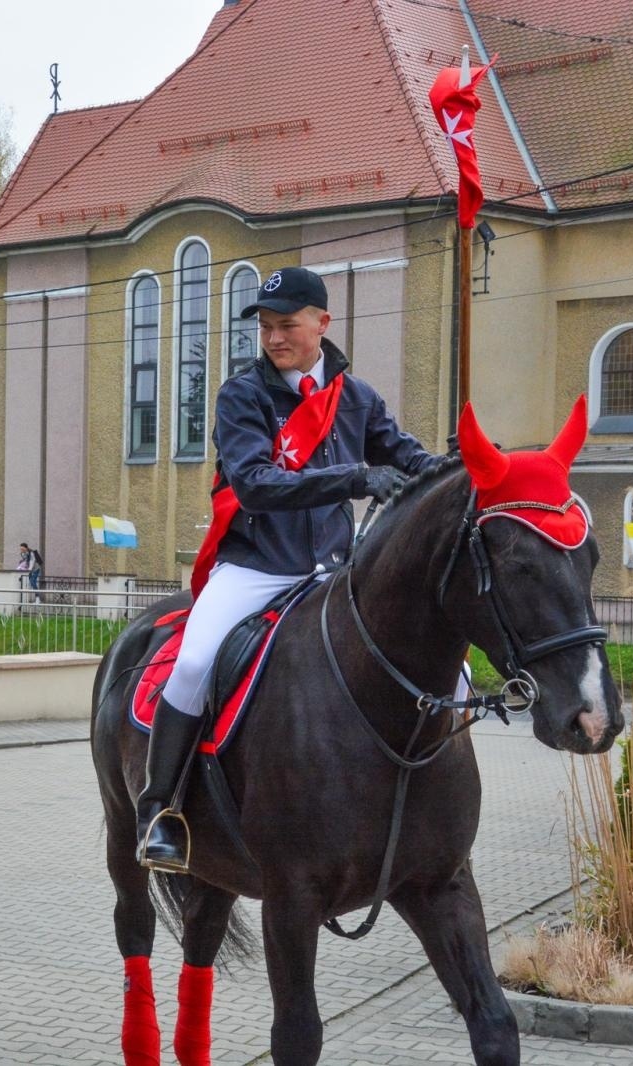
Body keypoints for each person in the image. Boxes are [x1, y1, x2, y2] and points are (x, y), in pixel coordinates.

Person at [136, 266, 440, 871]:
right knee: (194, 660)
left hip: (334, 572)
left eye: (287, 326)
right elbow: (253, 482)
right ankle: (158, 810)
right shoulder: (242, 395)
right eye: (267, 328)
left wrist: (463, 473)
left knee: (437, 675)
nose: (274, 339)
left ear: (322, 325)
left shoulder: (356, 398)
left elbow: (408, 457)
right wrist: (354, 478)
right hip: (257, 566)